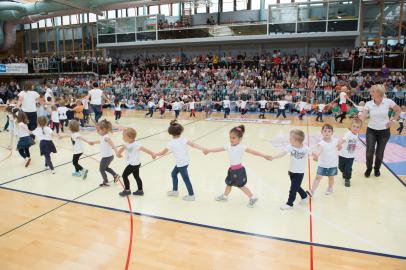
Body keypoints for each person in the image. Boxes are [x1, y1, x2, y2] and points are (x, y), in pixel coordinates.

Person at [203, 125, 271, 208]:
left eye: (233, 138)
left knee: (241, 186)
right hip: (232, 170)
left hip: (239, 171)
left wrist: (264, 155)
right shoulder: (228, 145)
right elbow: (218, 149)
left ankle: (252, 197)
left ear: (239, 139)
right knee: (229, 183)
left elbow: (254, 152)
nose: (231, 139)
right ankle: (225, 197)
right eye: (230, 137)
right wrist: (209, 150)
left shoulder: (242, 147)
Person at [155, 120, 206, 201]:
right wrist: (203, 148)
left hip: (181, 164)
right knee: (173, 174)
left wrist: (155, 154)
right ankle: (175, 191)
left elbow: (162, 152)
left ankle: (191, 195)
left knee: (186, 179)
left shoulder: (171, 143)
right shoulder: (183, 139)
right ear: (180, 132)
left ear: (171, 133)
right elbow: (194, 145)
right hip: (184, 162)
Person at [359, 84, 401, 177]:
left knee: (379, 153)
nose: (371, 93)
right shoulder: (368, 103)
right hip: (371, 131)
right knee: (369, 152)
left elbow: (398, 110)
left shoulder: (388, 102)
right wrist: (358, 122)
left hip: (384, 132)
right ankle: (369, 168)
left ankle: (377, 169)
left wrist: (393, 120)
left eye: (373, 91)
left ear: (379, 93)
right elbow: (363, 116)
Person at [269, 129, 310, 210]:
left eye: (290, 138)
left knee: (293, 189)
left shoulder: (306, 149)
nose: (289, 140)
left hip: (299, 173)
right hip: (291, 171)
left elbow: (314, 154)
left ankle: (289, 203)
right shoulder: (290, 147)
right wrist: (273, 157)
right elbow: (282, 153)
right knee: (296, 186)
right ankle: (304, 196)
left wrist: (316, 156)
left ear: (296, 140)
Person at [116, 128, 156, 196]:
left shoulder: (136, 144)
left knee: (124, 175)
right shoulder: (126, 143)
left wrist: (152, 153)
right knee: (137, 176)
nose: (122, 138)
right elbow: (121, 149)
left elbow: (145, 149)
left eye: (124, 136)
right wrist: (118, 154)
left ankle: (127, 190)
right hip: (135, 164)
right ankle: (140, 190)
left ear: (130, 137)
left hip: (133, 164)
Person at [307, 124, 341, 197]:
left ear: (332, 133)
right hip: (322, 165)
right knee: (318, 177)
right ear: (322, 132)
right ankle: (312, 191)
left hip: (332, 164)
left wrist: (340, 146)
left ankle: (330, 188)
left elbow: (339, 146)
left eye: (329, 131)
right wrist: (316, 156)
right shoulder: (321, 143)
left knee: (331, 178)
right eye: (325, 131)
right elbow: (318, 151)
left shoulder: (335, 141)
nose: (327, 133)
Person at [88, 119, 121, 186]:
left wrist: (117, 152)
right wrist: (93, 142)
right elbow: (100, 141)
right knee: (105, 168)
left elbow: (112, 144)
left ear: (104, 130)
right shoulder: (103, 137)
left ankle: (105, 181)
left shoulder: (106, 137)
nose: (97, 132)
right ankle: (115, 175)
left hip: (107, 157)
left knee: (101, 169)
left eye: (98, 130)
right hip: (109, 156)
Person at [338, 118, 362, 187]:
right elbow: (342, 140)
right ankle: (345, 172)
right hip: (342, 155)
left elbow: (354, 142)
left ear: (359, 128)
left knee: (348, 169)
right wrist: (339, 144)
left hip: (351, 156)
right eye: (354, 126)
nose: (355, 128)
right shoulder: (348, 134)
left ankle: (347, 179)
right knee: (340, 167)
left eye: (357, 127)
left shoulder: (356, 134)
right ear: (351, 126)